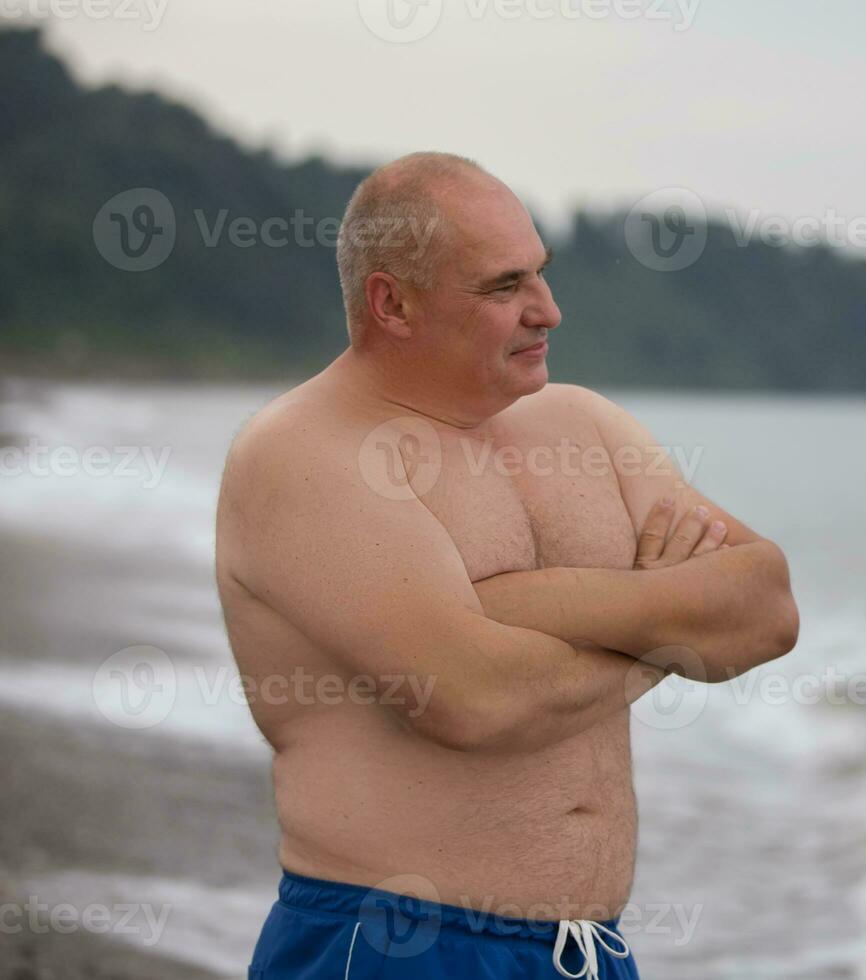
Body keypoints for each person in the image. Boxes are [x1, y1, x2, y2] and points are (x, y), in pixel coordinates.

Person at [215, 152, 800, 979]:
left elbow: (768, 608)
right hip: (395, 941)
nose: (549, 311)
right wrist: (672, 617)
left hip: (590, 950)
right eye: (503, 287)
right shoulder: (305, 453)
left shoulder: (581, 425)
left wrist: (529, 603)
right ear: (393, 303)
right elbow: (474, 700)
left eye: (542, 276)